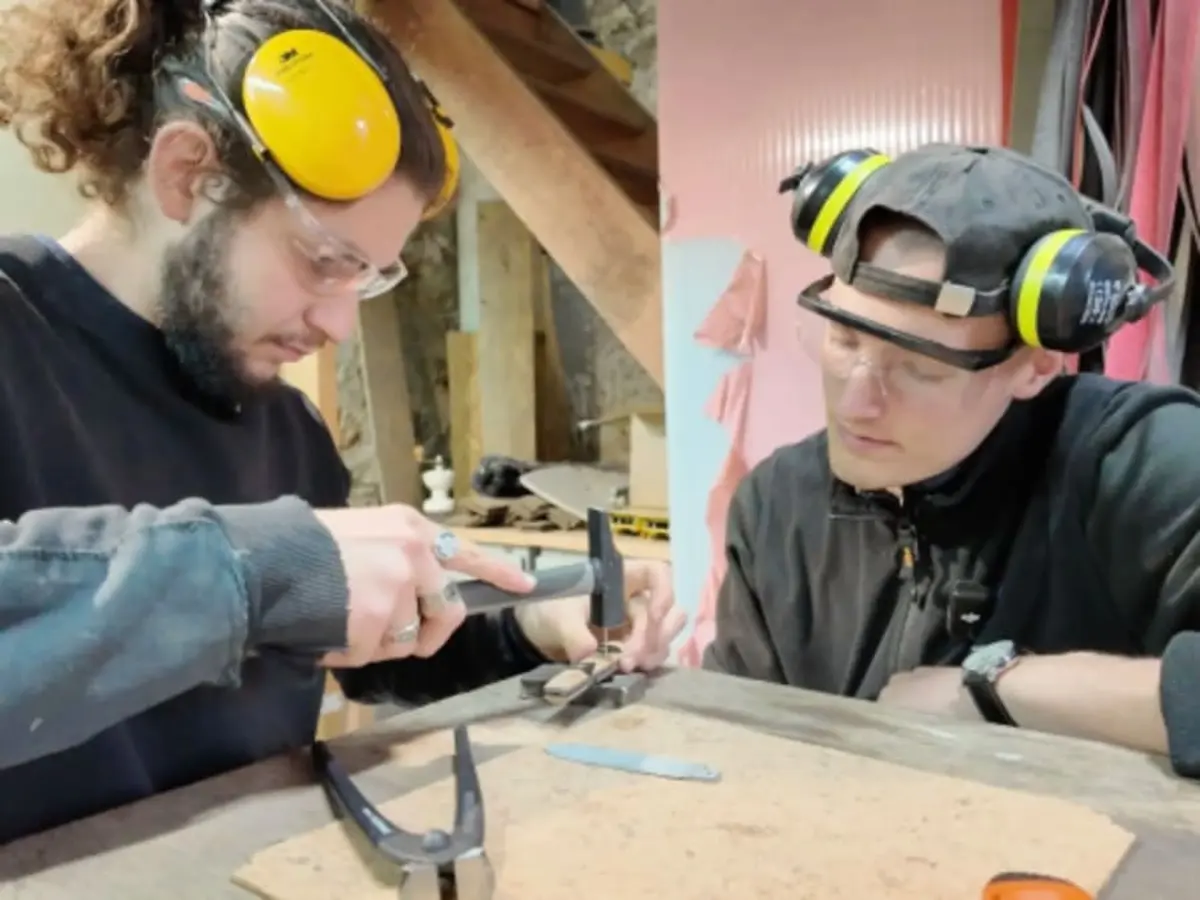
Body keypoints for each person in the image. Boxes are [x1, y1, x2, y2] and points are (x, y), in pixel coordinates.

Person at [0, 0, 685, 842]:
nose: (336, 325)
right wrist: (259, 571)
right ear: (185, 174)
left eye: (367, 279)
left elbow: (366, 648)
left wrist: (529, 626)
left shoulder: (288, 429)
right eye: (324, 262)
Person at [702, 142, 1200, 777]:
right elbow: (735, 744)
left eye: (920, 368)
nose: (856, 403)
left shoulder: (1138, 466)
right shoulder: (777, 506)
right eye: (844, 338)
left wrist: (997, 689)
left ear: (1035, 366)